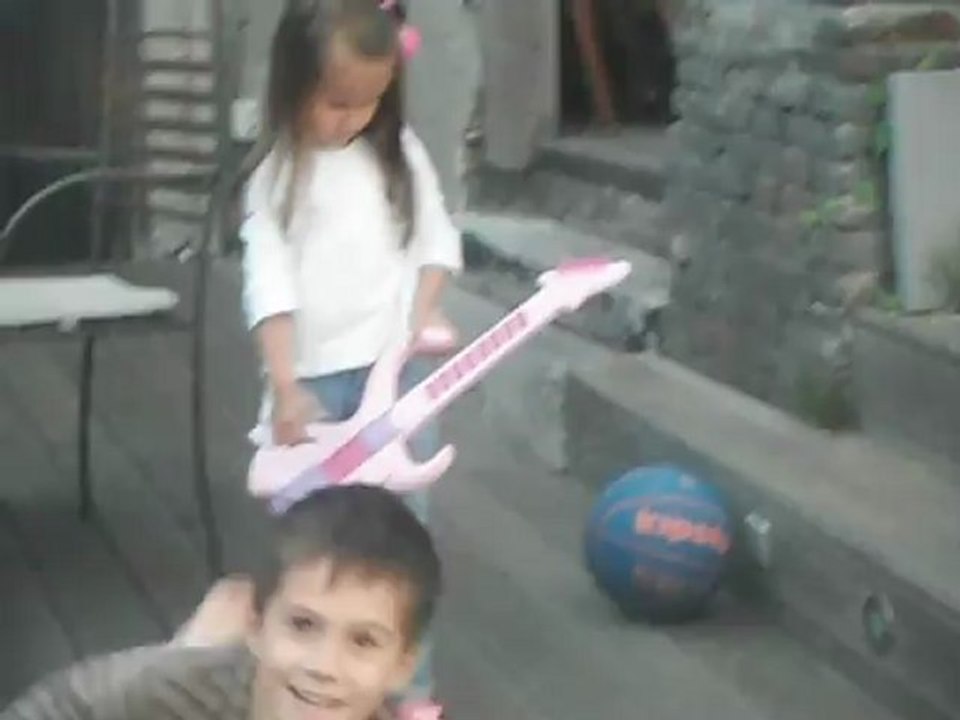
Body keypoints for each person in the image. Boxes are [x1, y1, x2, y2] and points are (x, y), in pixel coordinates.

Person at [237, 0, 462, 713]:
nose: (351, 119)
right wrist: (284, 384)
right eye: (336, 102)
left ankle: (411, 690)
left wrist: (423, 311)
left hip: (394, 376)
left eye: (368, 103)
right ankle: (294, 682)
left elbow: (436, 241)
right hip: (312, 385)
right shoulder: (278, 177)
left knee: (402, 542)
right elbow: (269, 288)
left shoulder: (399, 155)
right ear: (292, 84)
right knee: (313, 544)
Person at [3, 485, 444, 720]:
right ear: (256, 626)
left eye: (364, 641)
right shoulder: (175, 691)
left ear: (403, 665)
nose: (324, 665)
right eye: (303, 625)